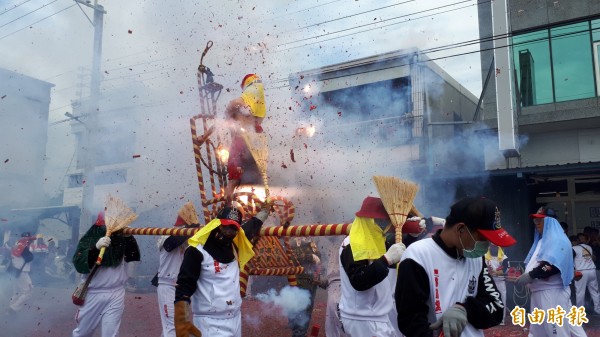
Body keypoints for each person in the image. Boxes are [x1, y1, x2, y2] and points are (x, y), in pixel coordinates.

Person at [396, 197, 516, 337]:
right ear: (461, 229)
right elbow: (410, 321)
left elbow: (496, 308)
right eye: (483, 239)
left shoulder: (476, 257)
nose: (488, 245)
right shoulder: (418, 255)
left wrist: (465, 309)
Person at [174, 202, 270, 337]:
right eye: (225, 227)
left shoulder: (235, 245)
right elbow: (184, 285)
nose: (229, 232)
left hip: (235, 319)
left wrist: (264, 212)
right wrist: (181, 319)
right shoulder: (196, 251)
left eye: (233, 228)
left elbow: (251, 226)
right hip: (209, 323)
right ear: (216, 224)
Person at [338, 196, 406, 337]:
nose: (384, 225)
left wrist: (413, 236)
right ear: (367, 220)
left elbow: (399, 257)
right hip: (362, 319)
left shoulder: (376, 240)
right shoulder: (352, 244)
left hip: (378, 316)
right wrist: (386, 259)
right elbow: (359, 280)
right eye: (379, 220)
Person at [514, 207, 587, 337]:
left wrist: (530, 275)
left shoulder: (557, 239)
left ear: (550, 222)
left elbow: (552, 265)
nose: (536, 223)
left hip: (551, 292)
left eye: (540, 220)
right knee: (538, 332)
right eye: (535, 220)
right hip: (540, 291)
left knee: (555, 331)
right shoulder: (544, 240)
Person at [71, 211, 141, 337]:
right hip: (93, 292)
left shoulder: (121, 237)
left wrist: (129, 238)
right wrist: (95, 248)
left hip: (116, 292)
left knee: (111, 334)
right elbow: (79, 263)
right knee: (83, 333)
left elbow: (133, 256)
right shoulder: (89, 237)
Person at [222, 74, 266, 202]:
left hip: (247, 142)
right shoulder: (257, 104)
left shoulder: (244, 101)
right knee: (255, 174)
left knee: (235, 176)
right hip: (256, 143)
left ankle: (230, 197)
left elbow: (233, 105)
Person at [156, 213, 200, 337]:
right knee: (172, 327)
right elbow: (171, 244)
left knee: (175, 326)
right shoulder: (167, 235)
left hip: (181, 288)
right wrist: (191, 230)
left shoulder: (192, 240)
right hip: (167, 286)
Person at [288, 237, 322, 337]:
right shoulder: (293, 242)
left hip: (311, 282)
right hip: (299, 283)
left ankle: (300, 333)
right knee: (301, 314)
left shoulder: (311, 242)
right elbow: (292, 258)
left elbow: (319, 257)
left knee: (306, 313)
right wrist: (310, 257)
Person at [6, 232, 36, 314]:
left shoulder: (17, 245)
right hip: (21, 272)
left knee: (16, 292)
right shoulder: (24, 247)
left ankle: (9, 310)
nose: (31, 242)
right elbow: (29, 257)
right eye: (30, 240)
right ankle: (13, 309)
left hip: (14, 271)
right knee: (28, 291)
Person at [571, 233, 600, 315]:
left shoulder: (574, 248)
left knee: (580, 292)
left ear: (576, 241)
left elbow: (569, 260)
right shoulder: (589, 247)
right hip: (592, 271)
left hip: (581, 272)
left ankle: (580, 312)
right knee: (595, 291)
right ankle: (598, 309)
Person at [485, 244, 509, 324]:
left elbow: (505, 270)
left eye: (495, 247)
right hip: (489, 282)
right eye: (492, 246)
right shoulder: (484, 257)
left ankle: (501, 320)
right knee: (489, 300)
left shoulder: (504, 257)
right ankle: (490, 319)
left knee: (501, 300)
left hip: (500, 282)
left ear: (499, 247)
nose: (493, 248)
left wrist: (495, 272)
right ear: (489, 247)